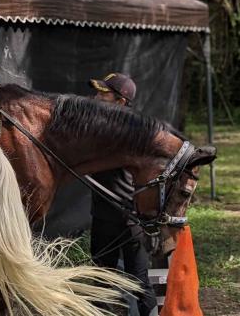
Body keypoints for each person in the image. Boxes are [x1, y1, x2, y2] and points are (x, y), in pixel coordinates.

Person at [89, 72, 157, 316]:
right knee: (101, 283)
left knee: (139, 284)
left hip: (129, 219)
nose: (96, 96)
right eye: (97, 91)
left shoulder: (127, 130)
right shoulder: (97, 123)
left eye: (103, 93)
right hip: (102, 215)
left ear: (120, 102)